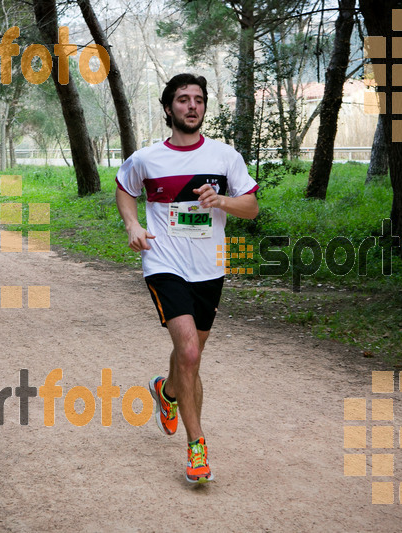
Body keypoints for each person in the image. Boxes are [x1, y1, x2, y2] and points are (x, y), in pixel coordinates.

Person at [115, 73, 259, 483]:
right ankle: (197, 448)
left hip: (209, 268)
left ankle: (168, 391)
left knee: (188, 360)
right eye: (182, 99)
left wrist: (224, 200)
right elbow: (125, 188)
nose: (191, 106)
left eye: (198, 99)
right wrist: (132, 225)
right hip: (164, 263)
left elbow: (251, 207)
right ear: (168, 108)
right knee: (191, 353)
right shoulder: (147, 158)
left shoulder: (224, 157)